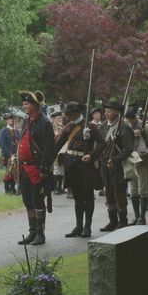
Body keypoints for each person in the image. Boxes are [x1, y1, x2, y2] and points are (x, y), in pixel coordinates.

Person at [55, 102, 106, 238]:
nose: (67, 116)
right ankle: (78, 226)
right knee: (77, 198)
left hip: (85, 165)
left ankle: (87, 227)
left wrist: (92, 155)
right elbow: (58, 145)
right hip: (72, 166)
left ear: (76, 113)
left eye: (69, 113)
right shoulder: (68, 127)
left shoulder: (90, 127)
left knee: (88, 197)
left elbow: (102, 143)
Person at [17, 90, 55, 246]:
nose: (24, 106)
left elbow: (49, 149)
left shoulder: (45, 123)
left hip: (37, 170)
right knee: (28, 201)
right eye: (24, 103)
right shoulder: (27, 121)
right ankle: (32, 232)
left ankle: (40, 234)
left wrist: (44, 169)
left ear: (35, 105)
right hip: (25, 169)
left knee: (38, 201)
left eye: (26, 104)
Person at [98, 100, 135, 231]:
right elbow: (99, 144)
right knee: (108, 194)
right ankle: (112, 221)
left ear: (116, 112)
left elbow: (128, 148)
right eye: (106, 111)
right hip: (104, 165)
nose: (106, 113)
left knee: (119, 194)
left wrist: (116, 159)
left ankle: (123, 221)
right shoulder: (102, 126)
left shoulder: (124, 127)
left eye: (109, 111)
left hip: (118, 166)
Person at [124, 106, 148, 225]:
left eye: (132, 118)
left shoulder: (145, 127)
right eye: (128, 119)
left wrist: (145, 154)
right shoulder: (125, 127)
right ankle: (137, 216)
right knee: (133, 191)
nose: (131, 121)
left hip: (142, 161)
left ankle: (142, 218)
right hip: (130, 162)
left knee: (143, 190)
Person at [0, 113, 21, 194]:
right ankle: (7, 188)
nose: (12, 120)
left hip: (16, 155)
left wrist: (17, 154)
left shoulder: (17, 131)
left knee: (15, 172)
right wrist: (10, 154)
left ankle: (13, 187)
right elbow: (2, 144)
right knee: (8, 172)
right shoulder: (3, 131)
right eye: (9, 119)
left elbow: (19, 143)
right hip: (7, 155)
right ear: (7, 120)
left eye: (13, 119)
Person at [51, 111, 65, 195]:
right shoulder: (51, 127)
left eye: (61, 118)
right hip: (54, 150)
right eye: (58, 118)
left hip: (63, 151)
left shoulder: (63, 127)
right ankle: (55, 187)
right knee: (56, 169)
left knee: (62, 169)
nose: (60, 119)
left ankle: (60, 187)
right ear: (53, 119)